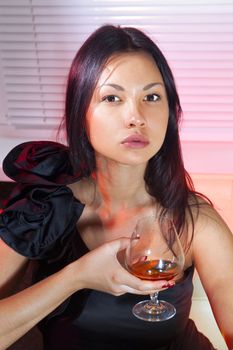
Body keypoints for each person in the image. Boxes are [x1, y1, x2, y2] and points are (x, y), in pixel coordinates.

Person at [0, 24, 232, 350]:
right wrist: (76, 276)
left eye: (151, 97)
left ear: (170, 114)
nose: (135, 116)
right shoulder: (41, 206)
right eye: (112, 97)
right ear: (81, 113)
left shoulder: (196, 220)